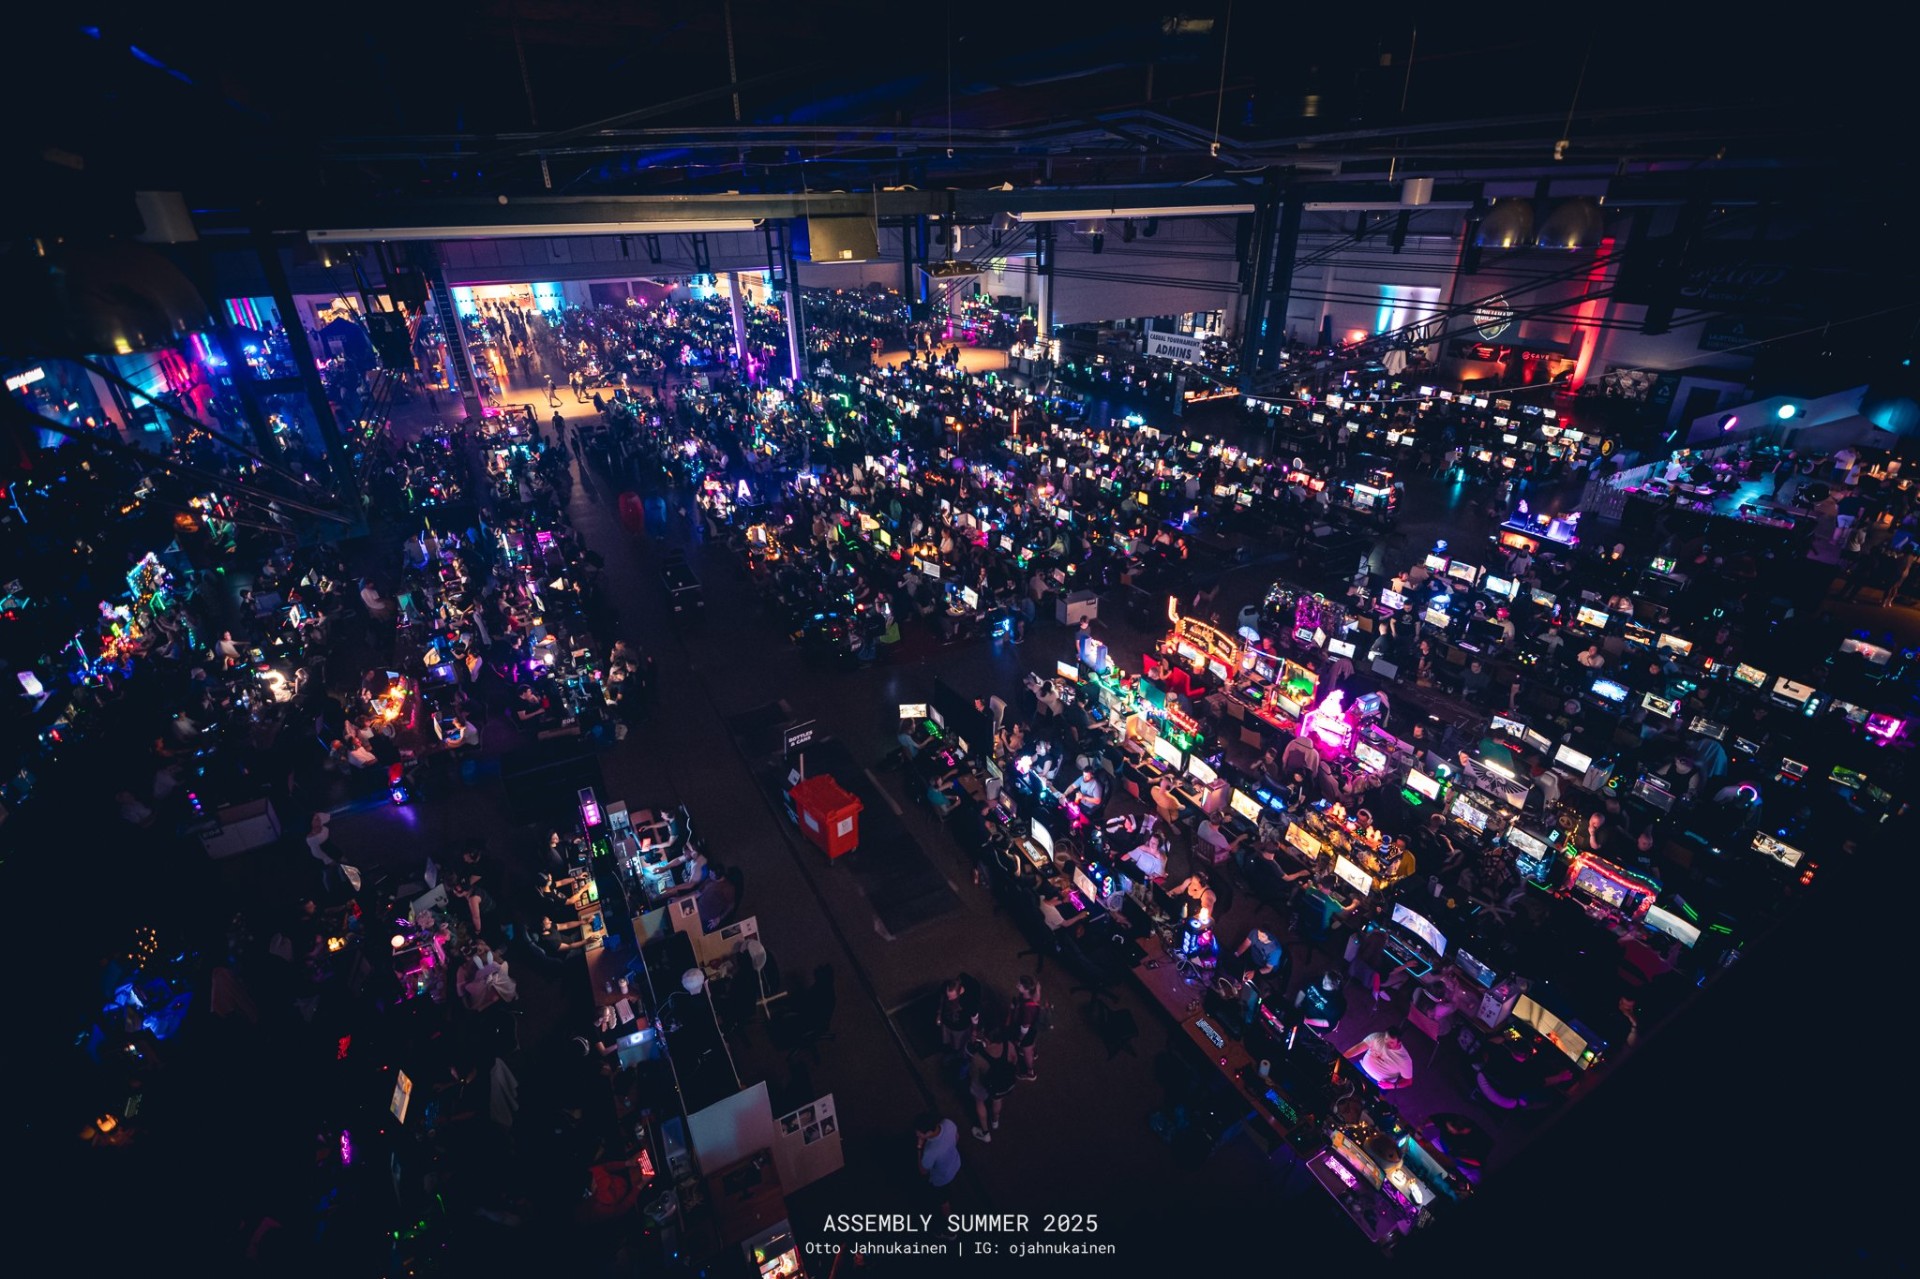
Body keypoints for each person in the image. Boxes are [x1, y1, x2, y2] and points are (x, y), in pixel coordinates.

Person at [968, 1023, 1019, 1142]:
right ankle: (995, 1121)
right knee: (997, 1100)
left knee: (979, 1101)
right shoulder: (1009, 1045)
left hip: (985, 1083)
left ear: (987, 1040)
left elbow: (975, 1076)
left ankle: (985, 1133)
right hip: (1001, 1084)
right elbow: (1014, 1060)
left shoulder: (979, 1057)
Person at [914, 1112, 962, 1213]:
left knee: (943, 1201)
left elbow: (923, 1171)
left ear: (928, 1133)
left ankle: (949, 1219)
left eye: (919, 1133)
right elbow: (957, 1136)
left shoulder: (930, 1151)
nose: (917, 1134)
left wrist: (919, 1148)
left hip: (941, 1179)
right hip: (956, 1162)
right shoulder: (948, 1123)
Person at [1345, 1023, 1414, 1089]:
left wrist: (1393, 1086)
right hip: (1362, 1067)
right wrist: (1343, 1056)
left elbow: (1408, 1081)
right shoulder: (1377, 1037)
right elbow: (1358, 1048)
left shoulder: (1404, 1060)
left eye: (1391, 1042)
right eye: (1386, 1039)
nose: (1386, 1044)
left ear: (1399, 1043)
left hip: (1378, 1082)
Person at [935, 974, 981, 1056]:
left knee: (957, 1045)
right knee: (945, 1039)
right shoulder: (945, 986)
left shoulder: (970, 1001)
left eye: (952, 997)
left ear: (959, 992)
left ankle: (955, 1053)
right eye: (948, 996)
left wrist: (974, 1030)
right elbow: (942, 998)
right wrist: (939, 1013)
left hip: (960, 1028)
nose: (949, 999)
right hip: (946, 1023)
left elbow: (974, 1017)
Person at [1010, 975, 1044, 1081]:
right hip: (1033, 1028)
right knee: (1030, 1045)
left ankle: (1030, 1072)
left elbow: (1025, 1026)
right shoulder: (1032, 997)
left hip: (1027, 1032)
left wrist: (1019, 1039)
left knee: (1027, 1050)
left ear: (1026, 989)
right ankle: (1032, 1052)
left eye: (1020, 984)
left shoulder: (1027, 1009)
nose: (1017, 985)